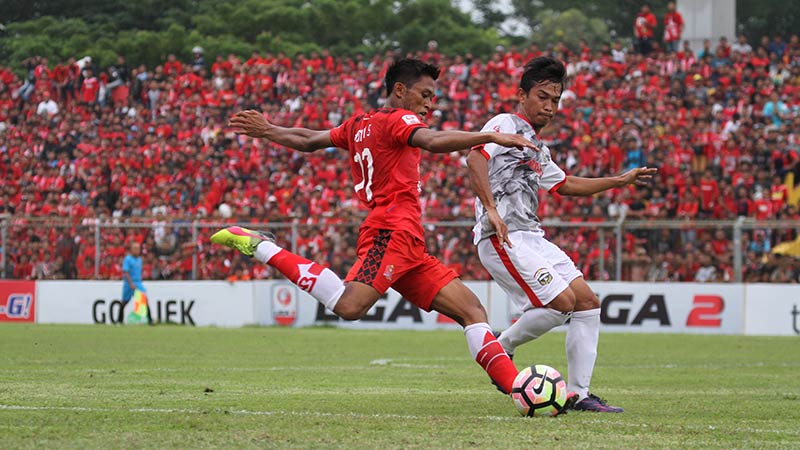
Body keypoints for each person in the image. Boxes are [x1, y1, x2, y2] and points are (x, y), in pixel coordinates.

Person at [211, 59, 546, 400]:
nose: (431, 103)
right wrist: (489, 135)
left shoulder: (359, 123)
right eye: (425, 94)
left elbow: (309, 138)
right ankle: (261, 245)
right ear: (400, 90)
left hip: (409, 242)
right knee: (348, 306)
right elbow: (429, 140)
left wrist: (269, 129)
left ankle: (520, 391)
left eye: (434, 96)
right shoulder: (401, 118)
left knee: (472, 311)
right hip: (390, 230)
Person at [467, 57, 657, 412]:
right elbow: (475, 158)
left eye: (556, 100)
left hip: (531, 237)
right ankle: (500, 347)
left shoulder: (538, 147)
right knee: (561, 303)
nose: (550, 107)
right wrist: (492, 208)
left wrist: (617, 181)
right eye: (543, 97)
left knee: (586, 302)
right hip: (502, 236)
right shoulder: (503, 124)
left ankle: (579, 393)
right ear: (521, 95)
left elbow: (565, 184)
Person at [120, 240, 150, 324]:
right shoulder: (128, 259)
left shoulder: (139, 260)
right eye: (135, 248)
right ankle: (119, 320)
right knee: (124, 302)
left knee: (144, 299)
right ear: (131, 250)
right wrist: (130, 283)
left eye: (138, 248)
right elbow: (126, 272)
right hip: (129, 283)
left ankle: (150, 320)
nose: (137, 250)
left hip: (138, 283)